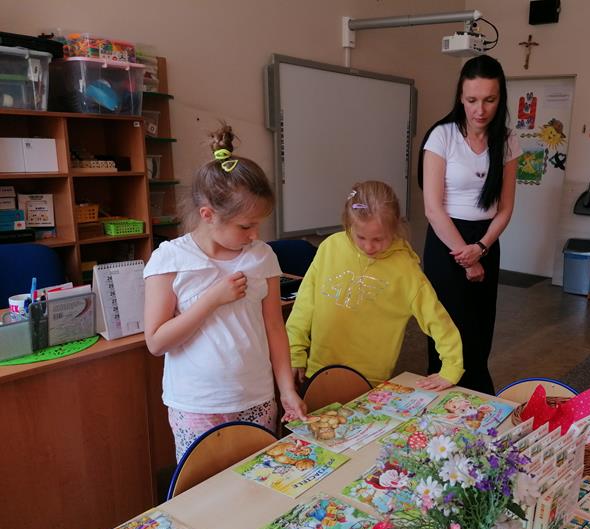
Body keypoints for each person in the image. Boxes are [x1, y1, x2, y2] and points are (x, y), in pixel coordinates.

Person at [143, 123, 306, 461]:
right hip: (197, 405)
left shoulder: (262, 256)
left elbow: (275, 328)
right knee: (205, 486)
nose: (254, 234)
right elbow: (156, 342)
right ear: (208, 215)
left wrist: (286, 389)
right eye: (245, 226)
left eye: (258, 224)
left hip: (256, 398)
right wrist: (212, 299)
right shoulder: (170, 259)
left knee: (260, 477)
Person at [286, 180, 463, 391]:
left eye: (379, 239)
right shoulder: (330, 247)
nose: (369, 247)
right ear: (348, 224)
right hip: (318, 370)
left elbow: (437, 319)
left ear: (395, 228)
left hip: (369, 380)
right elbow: (304, 306)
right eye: (361, 237)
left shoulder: (405, 269)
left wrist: (451, 367)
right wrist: (294, 351)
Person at [418, 55, 521, 394]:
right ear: (460, 97)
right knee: (447, 329)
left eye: (490, 100)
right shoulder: (442, 136)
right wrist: (467, 256)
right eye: (472, 100)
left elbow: (505, 207)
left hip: (485, 242)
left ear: (500, 98)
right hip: (446, 242)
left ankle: (477, 401)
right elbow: (433, 208)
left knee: (479, 330)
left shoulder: (507, 140)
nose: (480, 109)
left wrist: (481, 249)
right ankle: (440, 404)